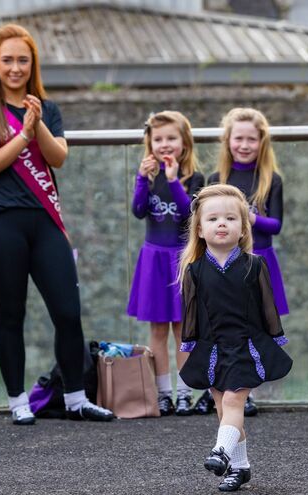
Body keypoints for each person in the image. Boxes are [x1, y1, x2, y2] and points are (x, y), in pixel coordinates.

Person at [0, 24, 113, 424]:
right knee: (11, 316)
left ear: (32, 64)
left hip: (45, 224)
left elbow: (58, 157)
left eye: (22, 60)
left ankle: (76, 397)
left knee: (67, 311)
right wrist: (23, 136)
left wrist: (36, 123)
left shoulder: (46, 108)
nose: (15, 67)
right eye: (7, 60)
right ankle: (17, 401)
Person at [178, 184, 292, 492]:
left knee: (233, 400)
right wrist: (190, 345)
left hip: (246, 346)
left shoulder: (255, 265)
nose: (222, 224)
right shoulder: (195, 271)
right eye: (213, 219)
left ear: (243, 228)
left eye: (230, 218)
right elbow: (192, 314)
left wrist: (275, 339)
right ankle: (240, 468)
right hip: (213, 348)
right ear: (200, 229)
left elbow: (268, 307)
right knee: (223, 409)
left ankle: (220, 452)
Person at [205, 107, 288, 417]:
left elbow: (276, 225)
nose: (244, 145)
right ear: (227, 141)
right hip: (225, 263)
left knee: (256, 327)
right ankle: (223, 387)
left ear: (261, 141)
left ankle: (245, 389)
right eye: (238, 138)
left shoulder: (271, 179)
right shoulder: (217, 179)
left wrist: (249, 217)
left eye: (251, 139)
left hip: (260, 261)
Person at [126, 111, 204, 416]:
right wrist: (141, 180)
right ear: (150, 143)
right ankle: (161, 392)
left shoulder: (195, 177)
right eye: (158, 139)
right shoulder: (147, 174)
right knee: (157, 330)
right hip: (153, 260)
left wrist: (173, 182)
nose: (165, 144)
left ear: (184, 143)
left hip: (182, 259)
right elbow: (138, 210)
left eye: (171, 138)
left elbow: (190, 215)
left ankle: (184, 391)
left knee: (184, 330)